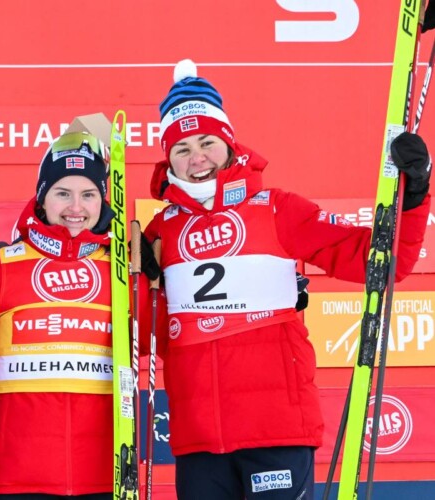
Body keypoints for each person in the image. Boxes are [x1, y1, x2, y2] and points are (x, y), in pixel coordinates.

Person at [142, 60, 431, 500]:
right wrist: (139, 279)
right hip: (199, 441)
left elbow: (381, 261)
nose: (196, 157)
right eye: (181, 149)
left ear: (228, 142)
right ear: (169, 160)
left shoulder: (276, 209)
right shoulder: (159, 232)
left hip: (276, 429)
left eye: (206, 142)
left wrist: (412, 196)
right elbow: (148, 334)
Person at [0, 131, 123, 499]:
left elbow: (148, 345)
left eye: (88, 194)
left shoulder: (120, 270)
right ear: (42, 199)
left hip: (104, 471)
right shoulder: (2, 265)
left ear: (102, 201)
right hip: (17, 471)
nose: (76, 207)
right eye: (62, 193)